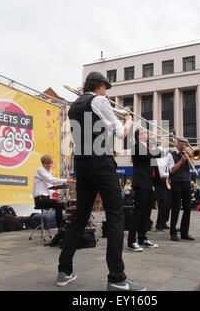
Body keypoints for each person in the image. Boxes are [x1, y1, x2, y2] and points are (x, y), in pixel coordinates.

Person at [57, 71, 146, 291]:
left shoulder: (74, 105)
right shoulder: (99, 100)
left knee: (79, 217)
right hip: (101, 163)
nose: (106, 92)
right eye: (106, 88)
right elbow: (120, 134)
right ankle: (117, 278)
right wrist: (129, 121)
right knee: (116, 216)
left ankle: (64, 270)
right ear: (100, 87)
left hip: (83, 165)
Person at [127, 128, 160, 252]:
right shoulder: (136, 146)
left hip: (149, 183)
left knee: (147, 212)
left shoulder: (147, 147)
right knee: (138, 213)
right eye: (145, 133)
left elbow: (153, 162)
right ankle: (131, 241)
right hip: (140, 183)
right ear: (138, 136)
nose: (148, 134)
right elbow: (148, 157)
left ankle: (142, 238)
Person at [33, 154, 76, 229]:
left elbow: (48, 186)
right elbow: (52, 180)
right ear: (43, 164)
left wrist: (53, 193)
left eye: (50, 163)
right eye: (47, 164)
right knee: (59, 204)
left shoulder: (49, 173)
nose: (49, 165)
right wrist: (67, 180)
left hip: (45, 198)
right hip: (40, 199)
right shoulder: (40, 170)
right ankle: (60, 226)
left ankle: (65, 223)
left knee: (63, 204)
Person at [167, 137, 195, 241]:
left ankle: (185, 232)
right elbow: (172, 170)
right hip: (176, 182)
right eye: (184, 144)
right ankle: (173, 232)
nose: (186, 147)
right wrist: (181, 160)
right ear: (179, 144)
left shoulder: (187, 155)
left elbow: (193, 168)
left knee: (188, 208)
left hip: (186, 182)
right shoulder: (171, 154)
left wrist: (190, 158)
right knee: (176, 207)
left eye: (186, 145)